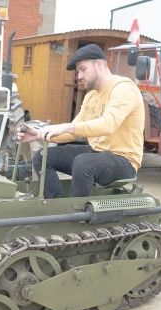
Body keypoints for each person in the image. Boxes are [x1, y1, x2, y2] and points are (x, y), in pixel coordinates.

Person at [18, 44, 145, 198]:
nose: (78, 76)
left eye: (83, 69)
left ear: (99, 65)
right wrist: (38, 134)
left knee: (83, 163)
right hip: (97, 153)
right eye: (78, 72)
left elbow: (108, 124)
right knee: (42, 156)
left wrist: (66, 126)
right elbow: (72, 133)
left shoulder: (123, 88)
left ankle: (76, 215)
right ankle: (57, 206)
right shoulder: (91, 96)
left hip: (124, 160)